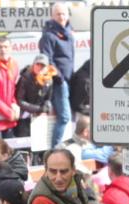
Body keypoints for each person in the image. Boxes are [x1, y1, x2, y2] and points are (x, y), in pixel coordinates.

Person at [37, 2, 75, 144]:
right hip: (60, 82)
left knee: (70, 118)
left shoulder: (69, 33)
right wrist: (59, 77)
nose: (61, 17)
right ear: (52, 16)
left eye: (63, 13)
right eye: (58, 14)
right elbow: (47, 59)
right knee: (64, 117)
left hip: (70, 79)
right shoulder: (49, 35)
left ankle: (63, 146)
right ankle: (55, 149)